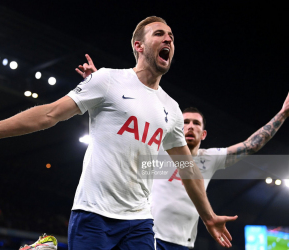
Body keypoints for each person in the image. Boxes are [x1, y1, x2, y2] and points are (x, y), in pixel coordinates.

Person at [0, 16, 236, 249]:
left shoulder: (171, 108)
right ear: (139, 45)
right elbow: (49, 114)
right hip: (94, 214)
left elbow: (186, 168)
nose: (168, 38)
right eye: (160, 34)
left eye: (171, 36)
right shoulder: (108, 80)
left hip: (140, 221)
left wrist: (208, 216)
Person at [76, 55, 289, 250]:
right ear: (176, 126)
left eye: (196, 123)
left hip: (184, 243)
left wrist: (283, 113)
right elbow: (120, 125)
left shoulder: (210, 158)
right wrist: (100, 84)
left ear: (203, 133)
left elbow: (250, 145)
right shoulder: (158, 149)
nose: (190, 126)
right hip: (149, 236)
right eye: (185, 122)